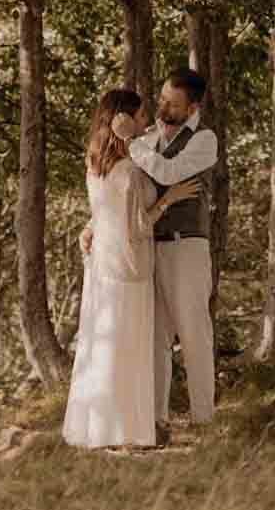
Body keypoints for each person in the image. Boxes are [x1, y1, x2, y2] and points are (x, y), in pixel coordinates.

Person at [62, 88, 200, 449]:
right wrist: (168, 199)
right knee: (129, 347)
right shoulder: (130, 170)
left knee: (103, 346)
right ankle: (127, 430)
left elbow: (103, 211)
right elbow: (139, 226)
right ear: (122, 119)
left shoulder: (95, 163)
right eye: (139, 117)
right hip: (129, 265)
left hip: (102, 265)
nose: (145, 123)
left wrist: (89, 228)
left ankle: (100, 427)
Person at [118, 67, 218, 430]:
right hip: (150, 247)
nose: (162, 107)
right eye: (161, 99)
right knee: (155, 337)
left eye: (172, 103)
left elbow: (169, 173)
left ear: (192, 108)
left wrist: (132, 145)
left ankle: (203, 418)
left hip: (186, 248)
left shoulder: (205, 140)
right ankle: (156, 419)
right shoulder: (148, 137)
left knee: (193, 333)